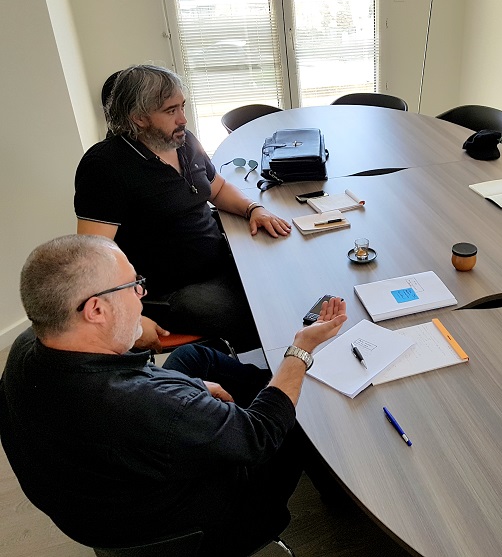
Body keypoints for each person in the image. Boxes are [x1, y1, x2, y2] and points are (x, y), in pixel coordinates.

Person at [0, 235, 347, 555]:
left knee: (198, 357)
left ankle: (267, 387)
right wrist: (300, 350)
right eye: (133, 286)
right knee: (298, 416)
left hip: (104, 493)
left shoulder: (27, 347)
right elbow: (260, 434)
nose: (141, 295)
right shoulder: (148, 406)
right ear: (96, 311)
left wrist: (193, 391)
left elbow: (150, 401)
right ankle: (342, 497)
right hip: (194, 526)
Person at [75, 64, 291, 353]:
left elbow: (219, 188)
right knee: (259, 314)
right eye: (170, 110)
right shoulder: (104, 167)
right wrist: (129, 317)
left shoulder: (183, 141)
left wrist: (253, 209)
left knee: (283, 282)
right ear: (139, 118)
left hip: (217, 258)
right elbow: (93, 255)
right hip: (168, 289)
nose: (183, 119)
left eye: (183, 107)